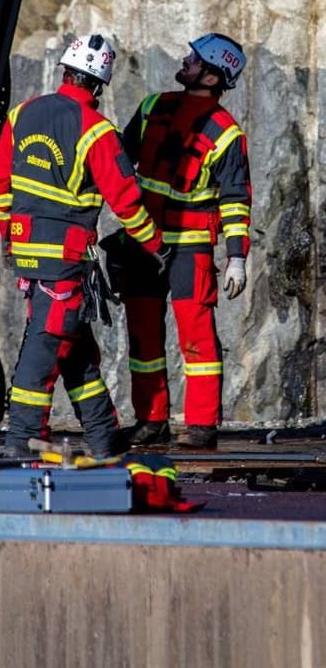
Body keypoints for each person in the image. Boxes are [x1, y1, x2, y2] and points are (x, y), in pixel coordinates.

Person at [0, 33, 167, 459]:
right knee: (42, 352)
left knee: (76, 353)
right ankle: (21, 444)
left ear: (64, 70)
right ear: (100, 84)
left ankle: (107, 440)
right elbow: (126, 201)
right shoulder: (98, 131)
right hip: (66, 262)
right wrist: (156, 246)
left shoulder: (22, 114)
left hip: (29, 256)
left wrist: (12, 237)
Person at [118, 33, 252, 450]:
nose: (184, 59)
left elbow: (235, 200)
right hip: (142, 241)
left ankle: (201, 426)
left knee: (197, 339)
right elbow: (118, 162)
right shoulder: (152, 106)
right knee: (143, 337)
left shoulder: (228, 134)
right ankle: (150, 420)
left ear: (212, 76)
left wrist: (236, 257)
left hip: (190, 249)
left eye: (194, 59)